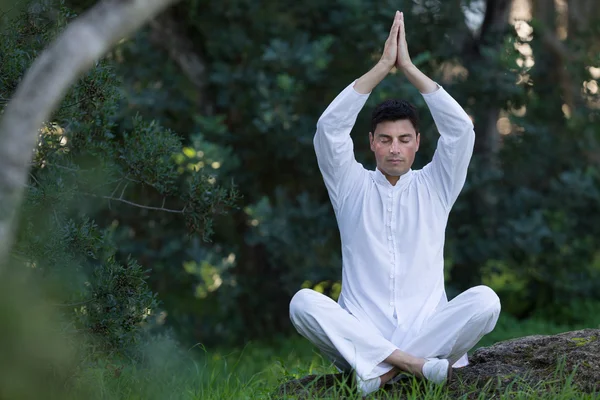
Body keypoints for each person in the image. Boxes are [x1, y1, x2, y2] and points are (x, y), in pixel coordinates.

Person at [289, 10, 501, 397]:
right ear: (370, 142)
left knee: (486, 301)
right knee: (302, 303)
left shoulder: (436, 185)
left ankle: (381, 373)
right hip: (361, 333)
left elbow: (460, 131)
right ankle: (413, 367)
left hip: (427, 328)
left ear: (418, 143)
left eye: (404, 139)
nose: (394, 149)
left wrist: (410, 70)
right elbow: (329, 129)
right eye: (385, 139)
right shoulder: (349, 185)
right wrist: (383, 67)